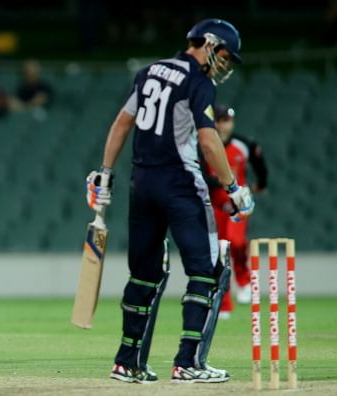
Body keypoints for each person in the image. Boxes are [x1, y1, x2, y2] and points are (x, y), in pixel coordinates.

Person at [86, 19, 254, 384]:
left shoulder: (149, 72)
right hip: (180, 183)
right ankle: (188, 362)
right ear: (208, 43)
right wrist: (233, 187)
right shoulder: (199, 82)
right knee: (206, 270)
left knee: (143, 276)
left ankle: (126, 361)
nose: (224, 63)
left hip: (140, 182)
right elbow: (209, 142)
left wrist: (105, 172)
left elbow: (120, 124)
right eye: (224, 53)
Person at [203, 106, 268, 319]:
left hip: (239, 203)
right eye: (219, 120)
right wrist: (220, 183)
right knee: (219, 253)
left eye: (226, 120)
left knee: (236, 242)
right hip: (215, 205)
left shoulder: (244, 144)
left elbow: (260, 164)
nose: (222, 125)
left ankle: (243, 279)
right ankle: (224, 303)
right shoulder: (204, 145)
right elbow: (202, 176)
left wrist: (261, 184)